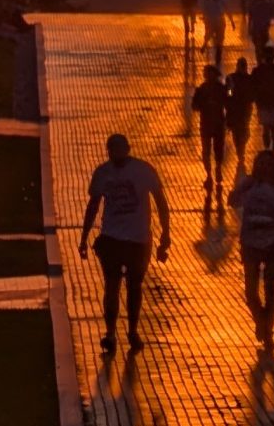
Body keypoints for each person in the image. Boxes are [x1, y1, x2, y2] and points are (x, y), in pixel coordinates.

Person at [79, 131, 171, 357]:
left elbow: (160, 201)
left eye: (120, 148)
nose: (116, 154)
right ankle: (110, 333)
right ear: (108, 151)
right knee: (111, 285)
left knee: (134, 286)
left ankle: (132, 330)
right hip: (111, 238)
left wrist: (165, 235)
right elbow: (93, 205)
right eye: (112, 149)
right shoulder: (102, 173)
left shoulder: (143, 170)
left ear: (128, 149)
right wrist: (84, 237)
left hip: (139, 239)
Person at [230, 147, 274, 345]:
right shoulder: (250, 186)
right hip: (250, 241)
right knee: (251, 292)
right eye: (260, 164)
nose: (264, 168)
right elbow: (233, 201)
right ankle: (260, 321)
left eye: (269, 165)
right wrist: (242, 187)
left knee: (270, 286)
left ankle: (267, 329)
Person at [191, 62, 229, 202]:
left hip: (215, 124)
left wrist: (230, 89)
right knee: (207, 150)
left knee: (216, 150)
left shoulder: (218, 88)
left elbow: (228, 98)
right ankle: (209, 174)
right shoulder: (202, 89)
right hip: (208, 124)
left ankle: (216, 169)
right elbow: (195, 106)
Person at [248, 42, 274, 147]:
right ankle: (273, 147)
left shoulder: (258, 71)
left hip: (264, 103)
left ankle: (268, 147)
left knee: (266, 127)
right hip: (273, 102)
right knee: (272, 126)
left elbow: (253, 86)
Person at [226, 54, 256, 173]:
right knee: (238, 130)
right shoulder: (232, 78)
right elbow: (228, 91)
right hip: (238, 108)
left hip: (242, 108)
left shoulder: (247, 79)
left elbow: (252, 93)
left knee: (242, 130)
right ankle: (240, 149)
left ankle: (240, 148)